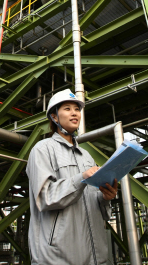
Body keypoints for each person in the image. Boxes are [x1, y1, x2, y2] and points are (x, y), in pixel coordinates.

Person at [26, 89, 118, 264]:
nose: (74, 113)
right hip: (58, 256)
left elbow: (92, 200)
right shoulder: (42, 149)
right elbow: (46, 197)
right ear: (54, 117)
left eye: (77, 109)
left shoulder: (87, 156)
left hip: (96, 255)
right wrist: (81, 178)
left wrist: (106, 197)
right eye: (67, 109)